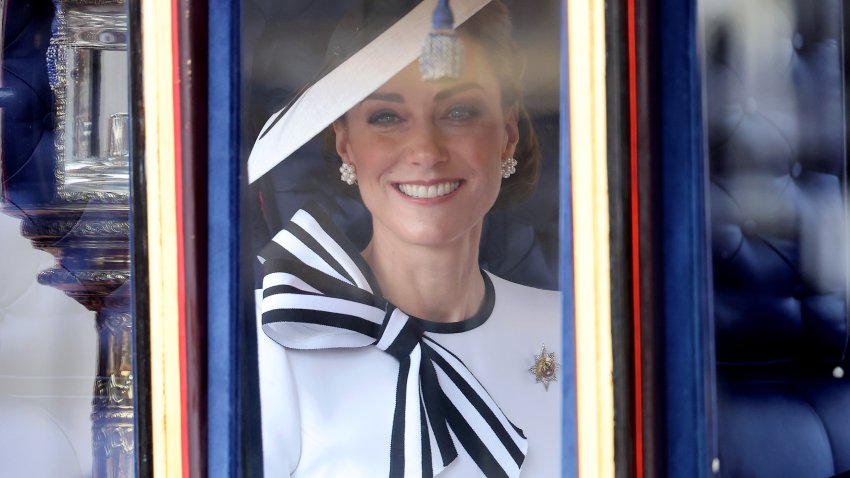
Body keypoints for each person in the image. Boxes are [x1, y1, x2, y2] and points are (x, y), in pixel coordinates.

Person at [248, 1, 561, 476]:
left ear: (509, 133)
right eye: (387, 118)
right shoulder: (272, 340)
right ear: (345, 142)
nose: (425, 152)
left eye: (458, 110)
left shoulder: (574, 334)